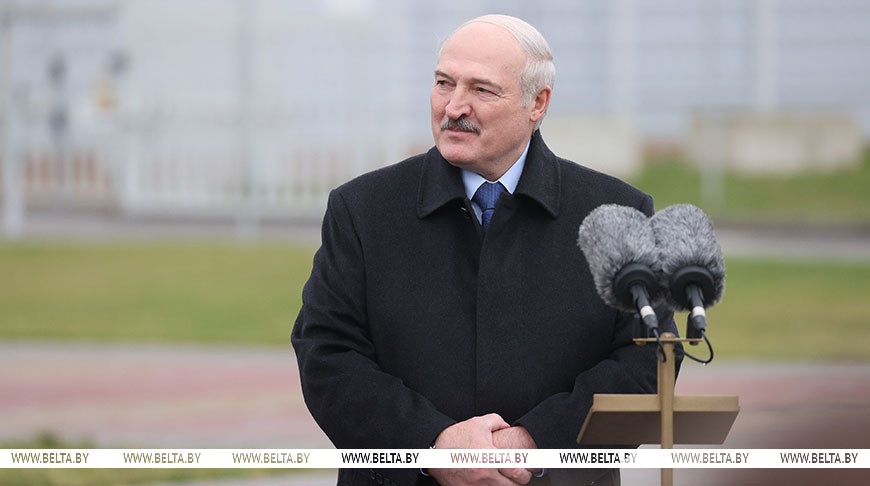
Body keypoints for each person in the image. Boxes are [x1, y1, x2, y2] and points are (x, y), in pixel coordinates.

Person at [292, 14, 678, 486]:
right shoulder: (362, 210)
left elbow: (649, 361)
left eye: (481, 89)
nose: (454, 106)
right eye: (443, 83)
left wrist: (535, 443)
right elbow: (327, 355)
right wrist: (430, 445)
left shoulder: (618, 214)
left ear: (538, 103)